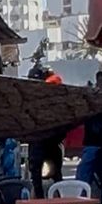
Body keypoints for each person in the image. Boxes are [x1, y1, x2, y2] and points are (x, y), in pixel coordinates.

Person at [27, 67, 66, 196]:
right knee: (37, 178)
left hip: (50, 141)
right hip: (39, 142)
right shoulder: (29, 97)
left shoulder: (53, 94)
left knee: (55, 176)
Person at [76, 71, 102, 190]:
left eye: (100, 83)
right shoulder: (95, 102)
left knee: (84, 173)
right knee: (84, 172)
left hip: (99, 144)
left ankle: (80, 194)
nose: (96, 86)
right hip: (93, 143)